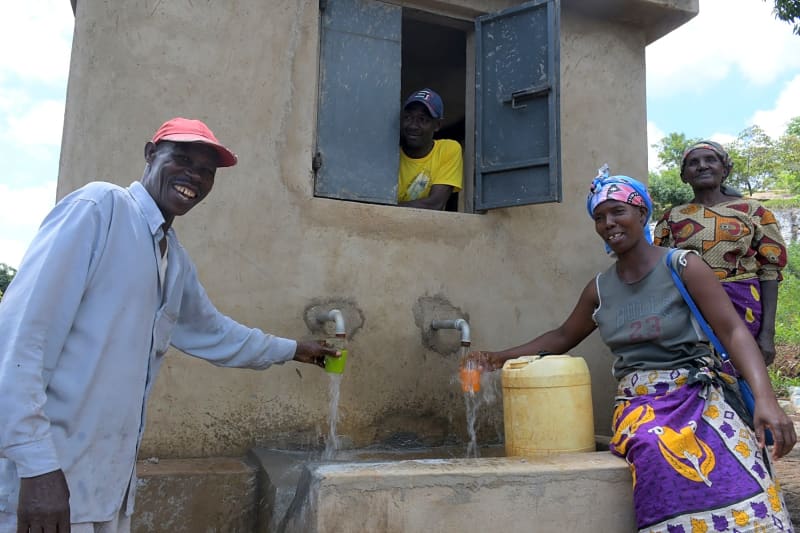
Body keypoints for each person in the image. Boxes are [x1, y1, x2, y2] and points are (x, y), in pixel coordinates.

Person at [0, 118, 340, 533]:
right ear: (149, 154)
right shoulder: (99, 210)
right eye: (181, 159)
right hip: (42, 489)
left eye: (206, 171)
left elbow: (214, 332)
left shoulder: (172, 259)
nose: (193, 176)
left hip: (104, 492)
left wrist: (294, 350)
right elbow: (20, 339)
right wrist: (37, 468)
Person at [464, 170, 796, 532]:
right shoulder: (600, 289)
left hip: (699, 394)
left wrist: (766, 400)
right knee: (655, 448)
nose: (608, 223)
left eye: (617, 212)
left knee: (737, 457)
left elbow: (733, 331)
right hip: (639, 406)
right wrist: (498, 358)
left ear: (642, 213)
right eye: (599, 217)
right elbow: (562, 336)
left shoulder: (682, 266)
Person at [654, 140, 788, 365]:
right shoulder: (672, 217)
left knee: (744, 376)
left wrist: (767, 334)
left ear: (725, 169)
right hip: (689, 311)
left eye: (710, 160)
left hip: (743, 308)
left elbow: (770, 271)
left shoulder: (754, 211)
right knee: (698, 376)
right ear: (684, 175)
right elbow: (660, 272)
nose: (702, 166)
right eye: (693, 163)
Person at [398, 88, 463, 210]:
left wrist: (388, 207)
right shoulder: (388, 153)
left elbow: (435, 204)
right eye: (408, 117)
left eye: (422, 119)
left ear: (437, 125)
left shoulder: (448, 150)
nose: (413, 125)